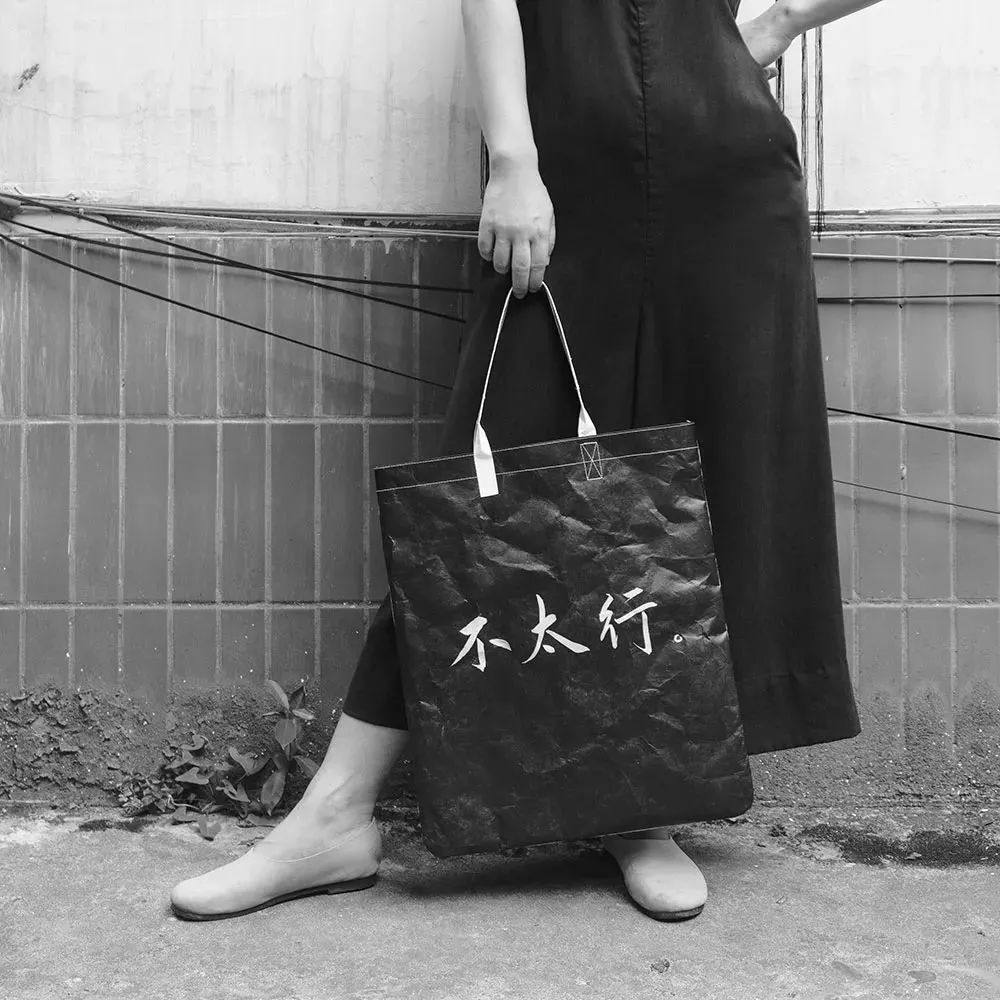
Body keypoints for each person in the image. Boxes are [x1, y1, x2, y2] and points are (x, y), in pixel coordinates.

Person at [171, 0, 883, 923]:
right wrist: (513, 159)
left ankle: (641, 806)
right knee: (488, 493)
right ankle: (335, 816)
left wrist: (781, 20)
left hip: (725, 177)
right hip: (559, 175)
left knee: (697, 491)